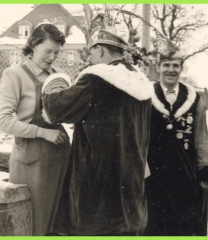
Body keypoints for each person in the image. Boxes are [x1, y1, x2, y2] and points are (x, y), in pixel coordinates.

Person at [40, 14, 152, 236]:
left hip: (98, 185)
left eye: (90, 52)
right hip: (131, 186)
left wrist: (55, 82)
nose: (89, 57)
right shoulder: (143, 84)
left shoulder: (96, 77)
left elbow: (55, 109)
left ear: (100, 50)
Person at [0, 24, 70, 235]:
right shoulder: (15, 74)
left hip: (60, 153)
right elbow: (3, 120)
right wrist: (43, 133)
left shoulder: (60, 77)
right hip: (31, 159)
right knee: (32, 224)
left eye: (56, 52)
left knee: (58, 222)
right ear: (32, 46)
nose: (52, 57)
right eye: (47, 51)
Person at [144, 51, 208, 236]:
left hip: (184, 174)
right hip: (153, 175)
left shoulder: (194, 98)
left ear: (181, 69)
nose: (171, 70)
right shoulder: (145, 95)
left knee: (182, 226)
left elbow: (201, 136)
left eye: (176, 66)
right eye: (166, 65)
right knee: (153, 225)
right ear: (158, 67)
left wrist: (204, 172)